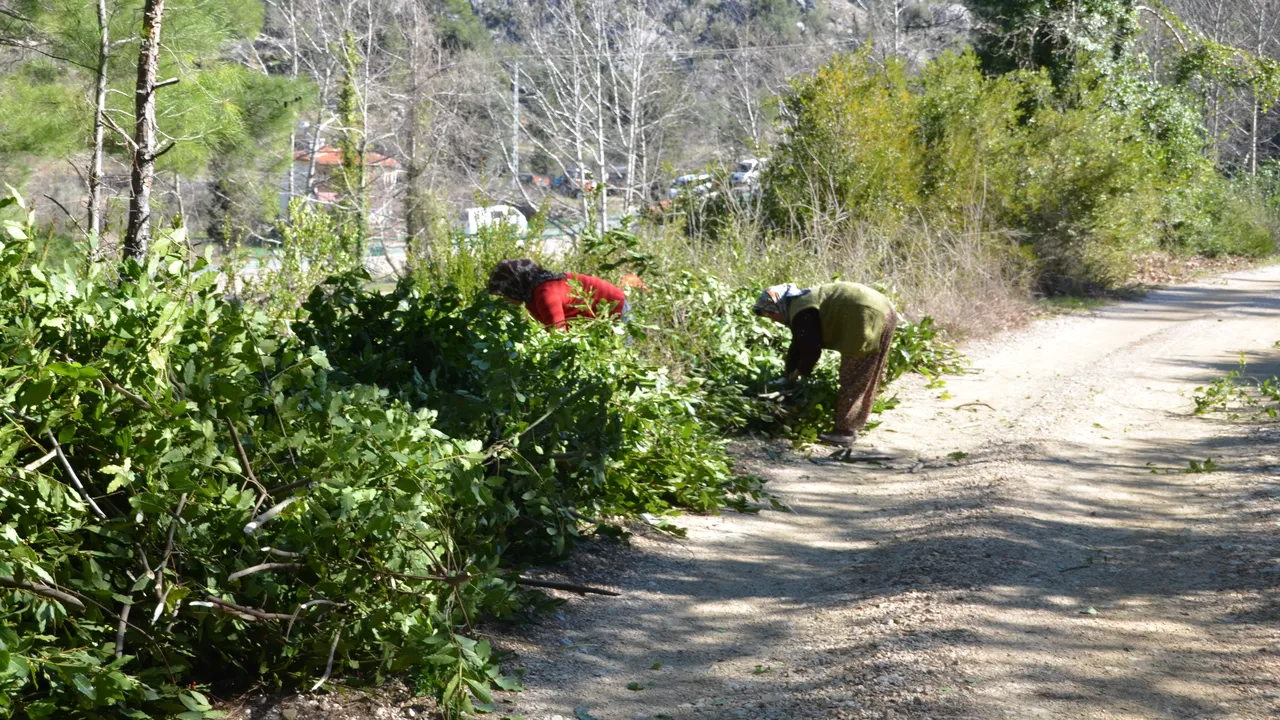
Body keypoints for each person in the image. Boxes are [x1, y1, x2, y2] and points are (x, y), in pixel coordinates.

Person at [753, 281, 898, 447]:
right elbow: (799, 343)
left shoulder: (801, 310)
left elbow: (811, 350)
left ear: (778, 306)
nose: (773, 320)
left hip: (866, 314)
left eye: (771, 314)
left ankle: (845, 432)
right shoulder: (800, 304)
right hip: (883, 309)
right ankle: (852, 425)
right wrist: (789, 374)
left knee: (855, 374)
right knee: (867, 371)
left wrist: (797, 375)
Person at [487, 259, 629, 329]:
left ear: (516, 285)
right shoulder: (534, 295)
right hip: (599, 316)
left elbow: (559, 334)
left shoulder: (545, 295)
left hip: (614, 309)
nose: (506, 298)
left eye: (505, 293)